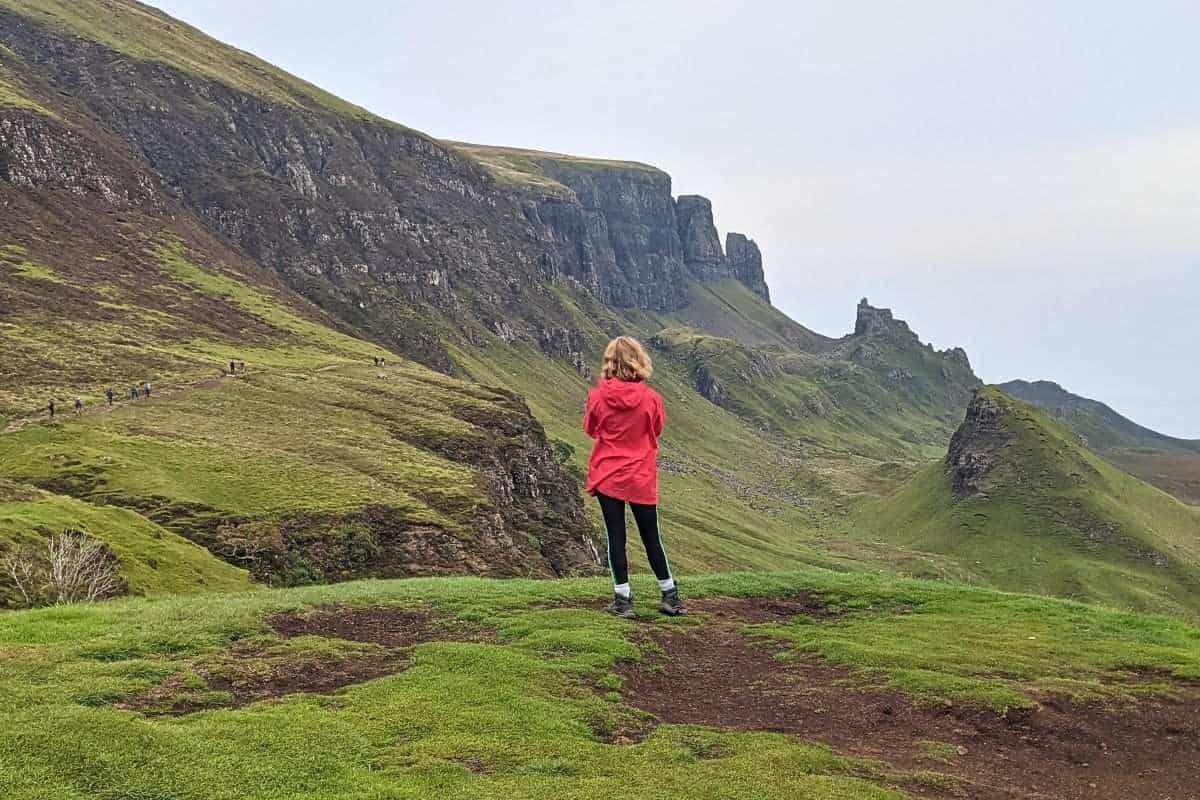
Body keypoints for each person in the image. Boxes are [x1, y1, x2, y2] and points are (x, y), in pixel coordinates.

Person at [584, 336, 684, 618]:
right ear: (638, 361)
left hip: (608, 474)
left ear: (609, 363)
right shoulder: (652, 398)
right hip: (641, 474)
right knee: (651, 535)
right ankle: (670, 596)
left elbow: (591, 428)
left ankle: (623, 600)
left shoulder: (596, 397)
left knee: (616, 537)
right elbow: (657, 428)